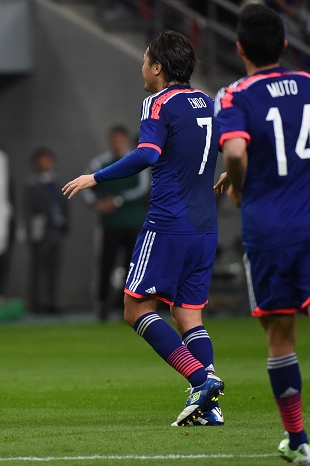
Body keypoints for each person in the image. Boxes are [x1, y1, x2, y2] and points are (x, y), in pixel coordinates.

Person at [214, 4, 310, 463]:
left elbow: (238, 153)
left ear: (239, 47)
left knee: (280, 337)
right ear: (284, 43)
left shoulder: (235, 95)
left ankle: (299, 441)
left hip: (268, 228)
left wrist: (239, 186)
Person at [63, 30, 225, 427]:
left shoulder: (158, 102)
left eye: (145, 59)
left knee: (135, 308)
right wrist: (234, 179)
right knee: (189, 315)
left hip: (168, 224)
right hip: (206, 226)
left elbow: (148, 153)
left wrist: (95, 177)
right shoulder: (207, 101)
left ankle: (201, 379)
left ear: (158, 68)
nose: (142, 66)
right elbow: (233, 147)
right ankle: (209, 408)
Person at [81, 125, 150, 321]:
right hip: (109, 224)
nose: (116, 142)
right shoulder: (99, 163)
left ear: (126, 140)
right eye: (113, 138)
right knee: (105, 264)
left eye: (120, 139)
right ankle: (102, 306)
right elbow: (85, 185)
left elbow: (143, 188)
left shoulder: (137, 160)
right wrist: (96, 203)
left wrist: (118, 200)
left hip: (133, 223)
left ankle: (128, 308)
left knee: (132, 267)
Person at [23, 147, 69, 314]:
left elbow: (64, 205)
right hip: (40, 232)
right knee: (38, 269)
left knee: (54, 269)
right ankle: (37, 303)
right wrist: (29, 231)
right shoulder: (32, 184)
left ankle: (52, 301)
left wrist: (65, 225)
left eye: (47, 160)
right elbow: (28, 209)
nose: (45, 164)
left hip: (56, 229)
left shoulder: (57, 182)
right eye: (41, 160)